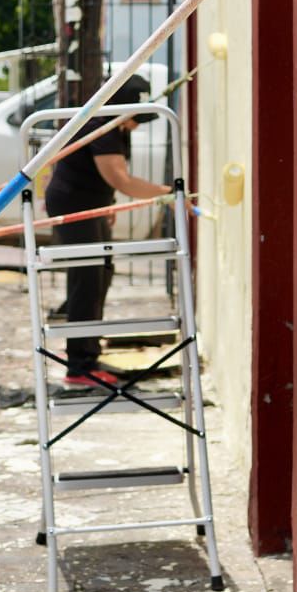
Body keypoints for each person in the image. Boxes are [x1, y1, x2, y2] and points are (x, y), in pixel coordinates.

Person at [43, 75, 171, 386]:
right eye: (137, 118)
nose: (137, 126)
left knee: (101, 274)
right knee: (87, 278)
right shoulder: (101, 127)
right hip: (75, 207)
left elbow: (106, 177)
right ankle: (79, 366)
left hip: (92, 205)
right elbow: (121, 179)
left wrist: (108, 203)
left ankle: (86, 350)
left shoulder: (115, 127)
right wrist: (168, 193)